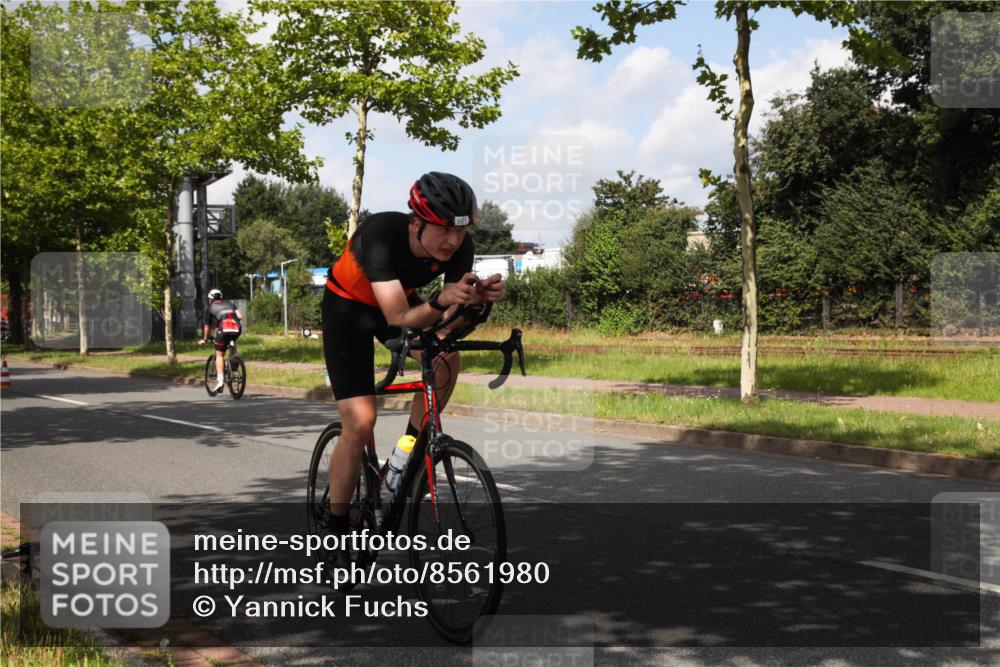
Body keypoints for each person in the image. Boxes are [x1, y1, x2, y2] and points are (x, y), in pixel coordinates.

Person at [322, 172, 504, 540]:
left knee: (445, 359)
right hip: (348, 309)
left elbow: (446, 324)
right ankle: (335, 525)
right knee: (360, 422)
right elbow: (399, 317)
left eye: (460, 230)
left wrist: (474, 304)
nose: (453, 240)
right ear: (417, 222)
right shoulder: (379, 235)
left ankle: (403, 458)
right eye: (443, 229)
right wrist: (440, 301)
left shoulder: (460, 247)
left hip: (400, 303)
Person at [197, 289, 243, 393]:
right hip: (237, 328)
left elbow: (207, 327)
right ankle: (234, 365)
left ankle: (220, 381)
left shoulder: (210, 308)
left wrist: (205, 339)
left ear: (210, 299)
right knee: (232, 344)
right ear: (221, 297)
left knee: (219, 355)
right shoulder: (230, 304)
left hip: (224, 329)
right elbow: (240, 316)